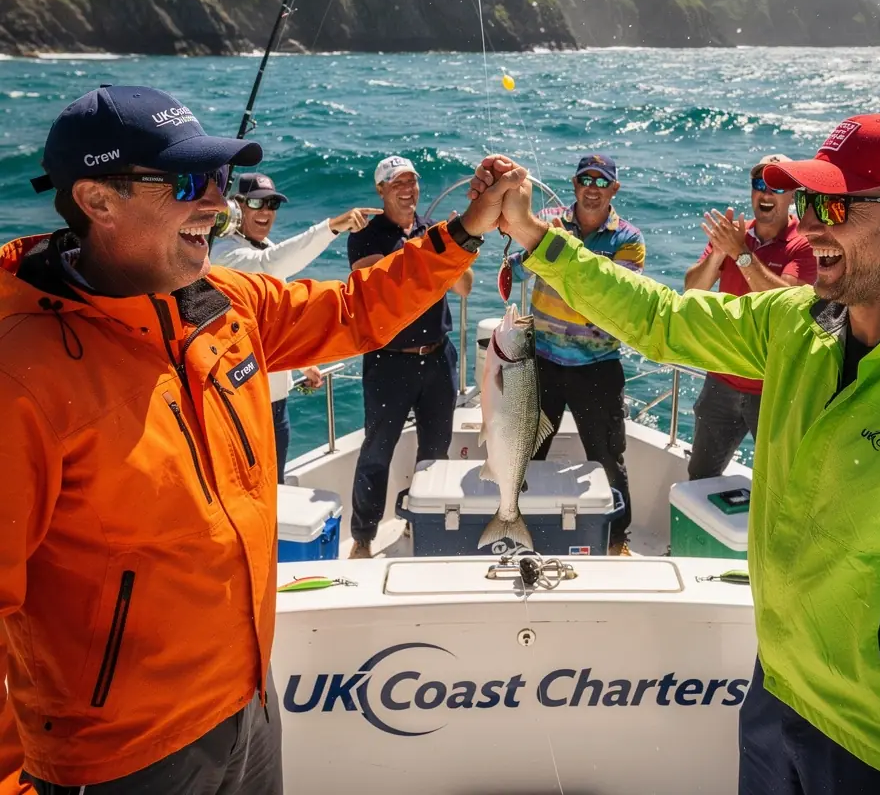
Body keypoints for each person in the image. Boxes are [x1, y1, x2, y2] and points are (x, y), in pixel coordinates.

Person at [480, 113, 880, 795]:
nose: (813, 224)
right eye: (808, 203)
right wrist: (535, 238)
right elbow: (664, 320)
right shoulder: (796, 322)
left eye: (833, 205)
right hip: (776, 693)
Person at [0, 84, 514, 794]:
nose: (218, 203)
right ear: (96, 200)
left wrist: (463, 232)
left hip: (248, 699)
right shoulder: (19, 374)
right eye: (188, 182)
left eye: (218, 180)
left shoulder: (224, 302)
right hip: (120, 759)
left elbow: (358, 309)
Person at [505, 153, 645, 555]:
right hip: (543, 364)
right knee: (527, 452)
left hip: (597, 368)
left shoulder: (628, 240)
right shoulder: (547, 221)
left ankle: (618, 540)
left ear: (614, 189)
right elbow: (515, 268)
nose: (593, 189)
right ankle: (520, 527)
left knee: (607, 458)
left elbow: (615, 301)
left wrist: (553, 251)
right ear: (574, 184)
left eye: (602, 182)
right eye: (586, 180)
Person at [211, 170, 382, 482]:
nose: (266, 212)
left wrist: (303, 360)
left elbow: (278, 314)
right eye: (256, 203)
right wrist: (332, 227)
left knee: (275, 487)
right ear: (236, 207)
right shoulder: (225, 254)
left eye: (273, 205)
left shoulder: (262, 245)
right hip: (245, 401)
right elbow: (272, 265)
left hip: (277, 399)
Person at [346, 155, 474, 559]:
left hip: (439, 358)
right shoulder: (366, 235)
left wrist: (453, 245)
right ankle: (363, 537)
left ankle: (424, 524)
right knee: (377, 451)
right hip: (389, 362)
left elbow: (465, 287)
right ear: (380, 190)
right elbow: (381, 283)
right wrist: (430, 251)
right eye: (396, 183)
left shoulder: (432, 233)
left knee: (436, 450)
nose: (407, 189)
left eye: (412, 182)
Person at [682, 154, 816, 479]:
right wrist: (718, 252)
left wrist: (741, 254)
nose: (766, 193)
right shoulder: (734, 236)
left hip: (772, 387)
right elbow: (692, 289)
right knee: (699, 477)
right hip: (721, 378)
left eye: (777, 186)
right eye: (759, 184)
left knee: (777, 485)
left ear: (793, 195)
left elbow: (784, 302)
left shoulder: (804, 245)